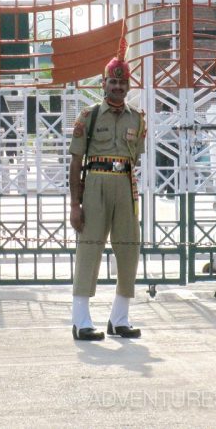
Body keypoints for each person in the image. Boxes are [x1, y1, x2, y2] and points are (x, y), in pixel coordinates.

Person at [68, 37, 146, 341]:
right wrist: (75, 204)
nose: (118, 88)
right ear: (104, 84)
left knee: (129, 249)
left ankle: (119, 318)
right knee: (90, 248)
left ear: (128, 86)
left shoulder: (138, 119)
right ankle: (81, 320)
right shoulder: (88, 116)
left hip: (125, 185)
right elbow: (76, 162)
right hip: (95, 183)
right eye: (113, 83)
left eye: (123, 83)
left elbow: (135, 157)